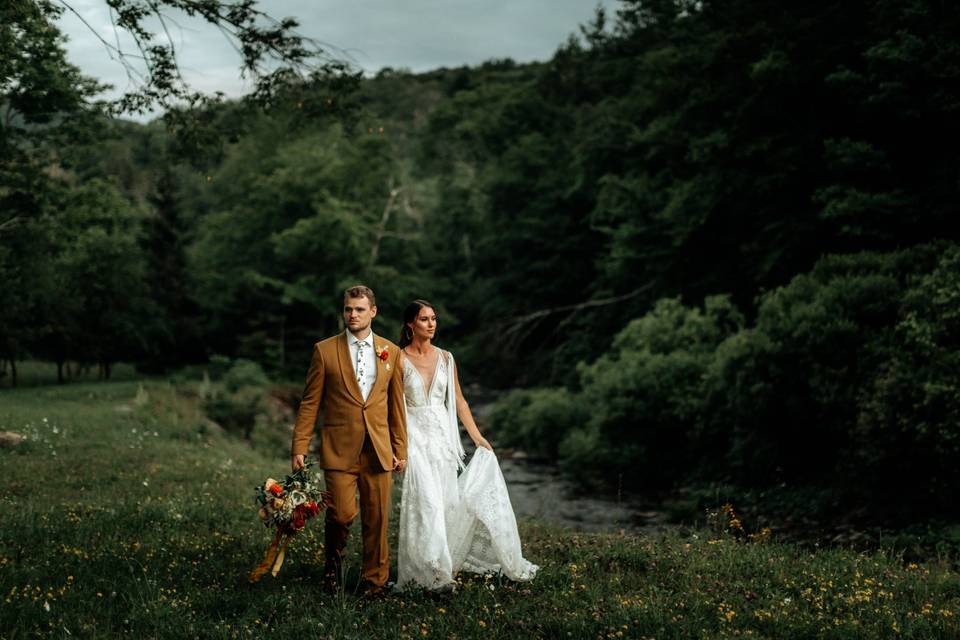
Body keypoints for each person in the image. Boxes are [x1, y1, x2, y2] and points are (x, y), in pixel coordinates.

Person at [395, 299, 537, 591]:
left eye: (434, 318)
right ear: (411, 324)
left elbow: (459, 400)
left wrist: (477, 437)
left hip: (442, 441)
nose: (431, 324)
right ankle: (433, 576)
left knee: (445, 504)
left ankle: (435, 566)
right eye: (424, 319)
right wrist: (396, 448)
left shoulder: (447, 358)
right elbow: (392, 407)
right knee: (426, 504)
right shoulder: (397, 359)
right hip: (413, 439)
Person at [290, 285, 407, 596]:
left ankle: (375, 582)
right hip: (339, 448)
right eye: (348, 309)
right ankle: (333, 569)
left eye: (359, 309)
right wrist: (299, 446)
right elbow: (310, 402)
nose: (352, 315)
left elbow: (396, 406)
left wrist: (400, 449)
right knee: (342, 515)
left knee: (378, 517)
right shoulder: (324, 350)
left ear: (373, 312)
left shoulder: (390, 352)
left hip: (379, 449)